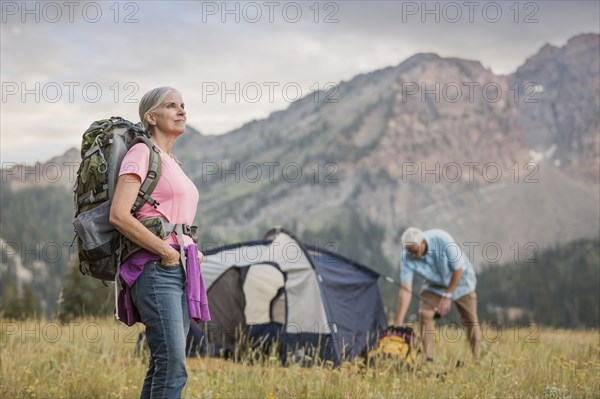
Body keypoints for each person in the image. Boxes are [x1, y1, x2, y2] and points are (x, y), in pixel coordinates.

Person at [110, 87, 209, 398]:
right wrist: (166, 250)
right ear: (150, 117)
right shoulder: (142, 153)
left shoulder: (171, 160)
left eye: (182, 105)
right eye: (171, 106)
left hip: (179, 267)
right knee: (173, 363)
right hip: (155, 269)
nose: (181, 111)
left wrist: (190, 248)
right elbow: (119, 215)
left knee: (163, 362)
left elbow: (171, 218)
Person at [395, 227, 481, 362]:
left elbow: (458, 269)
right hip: (434, 284)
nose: (411, 255)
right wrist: (399, 321)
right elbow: (405, 289)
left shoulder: (442, 239)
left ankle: (476, 358)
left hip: (461, 279)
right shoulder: (406, 256)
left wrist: (447, 296)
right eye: (408, 251)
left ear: (422, 243)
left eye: (414, 251)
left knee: (470, 319)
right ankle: (429, 358)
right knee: (425, 314)